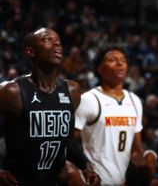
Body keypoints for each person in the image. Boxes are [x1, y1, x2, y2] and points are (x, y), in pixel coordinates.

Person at [0, 28, 98, 185]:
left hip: (54, 180)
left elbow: (68, 138)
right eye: (47, 40)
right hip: (19, 180)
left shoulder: (72, 91)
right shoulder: (12, 91)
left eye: (58, 41)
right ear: (30, 52)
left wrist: (85, 166)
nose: (57, 44)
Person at [74, 46, 157, 185]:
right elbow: (69, 142)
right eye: (112, 60)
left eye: (123, 60)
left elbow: (136, 150)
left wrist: (147, 156)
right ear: (99, 69)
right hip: (94, 181)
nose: (120, 64)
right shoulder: (89, 99)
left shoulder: (134, 100)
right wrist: (83, 171)